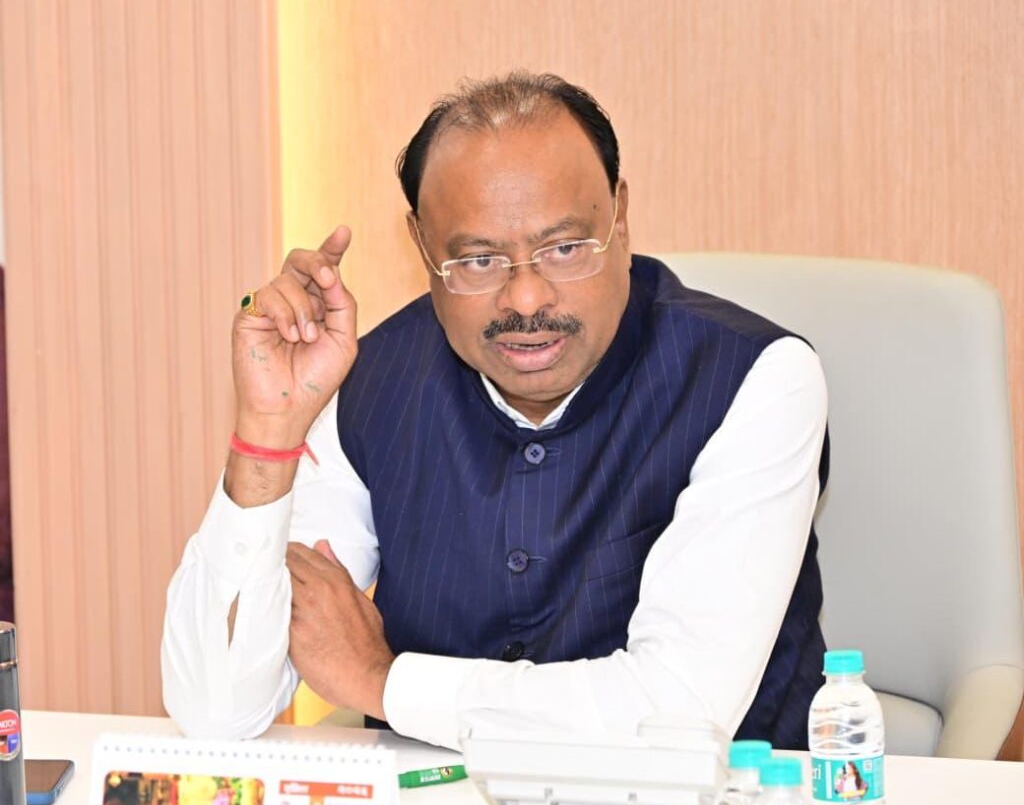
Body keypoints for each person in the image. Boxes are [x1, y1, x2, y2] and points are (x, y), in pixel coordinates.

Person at [161, 72, 829, 751]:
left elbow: (677, 714)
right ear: (424, 246)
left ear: (620, 218)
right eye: (479, 260)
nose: (528, 299)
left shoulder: (751, 380)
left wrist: (381, 681)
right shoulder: (370, 380)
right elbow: (218, 712)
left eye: (564, 249)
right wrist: (268, 432)